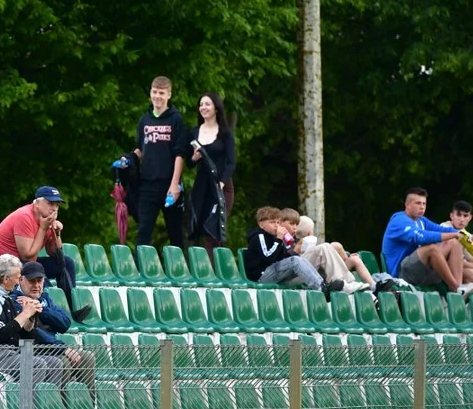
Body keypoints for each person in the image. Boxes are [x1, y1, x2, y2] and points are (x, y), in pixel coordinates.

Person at [0, 186, 90, 322]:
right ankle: (51, 315)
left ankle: (71, 309)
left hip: (24, 261)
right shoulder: (24, 216)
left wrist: (56, 233)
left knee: (66, 263)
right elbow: (27, 256)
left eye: (57, 205)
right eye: (50, 203)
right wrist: (43, 228)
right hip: (7, 263)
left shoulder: (46, 219)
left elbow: (54, 253)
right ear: (37, 203)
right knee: (40, 276)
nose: (54, 208)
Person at [0, 254, 66, 385]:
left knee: (55, 363)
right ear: (6, 278)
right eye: (18, 277)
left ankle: (46, 404)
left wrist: (31, 319)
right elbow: (2, 334)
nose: (19, 281)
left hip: (10, 353)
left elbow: (23, 336)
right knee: (37, 364)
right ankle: (26, 405)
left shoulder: (5, 295)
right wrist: (25, 313)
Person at [10, 261, 96, 394]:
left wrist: (40, 309)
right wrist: (62, 348)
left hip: (53, 347)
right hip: (33, 348)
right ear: (21, 280)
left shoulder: (44, 298)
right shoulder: (16, 300)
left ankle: (88, 407)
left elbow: (65, 323)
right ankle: (58, 408)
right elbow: (34, 333)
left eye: (40, 281)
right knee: (63, 363)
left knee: (87, 357)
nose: (37, 285)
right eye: (32, 281)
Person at [132, 76, 189, 248]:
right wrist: (128, 161)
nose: (157, 96)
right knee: (143, 231)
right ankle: (139, 271)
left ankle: (178, 271)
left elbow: (180, 154)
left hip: (169, 184)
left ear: (169, 95)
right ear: (150, 93)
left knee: (175, 233)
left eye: (161, 93)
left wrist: (174, 184)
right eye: (154, 92)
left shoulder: (176, 119)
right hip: (148, 183)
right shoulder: (144, 120)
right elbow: (140, 150)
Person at [382, 188, 473, 293]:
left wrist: (463, 235)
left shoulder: (421, 220)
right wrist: (453, 234)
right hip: (401, 274)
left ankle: (459, 289)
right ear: (407, 204)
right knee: (432, 249)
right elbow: (420, 237)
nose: (422, 207)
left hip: (420, 270)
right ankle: (455, 288)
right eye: (418, 203)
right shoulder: (399, 221)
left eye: (424, 204)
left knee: (455, 244)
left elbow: (440, 229)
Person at [244, 207, 344, 297]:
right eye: (272, 222)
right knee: (295, 260)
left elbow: (281, 259)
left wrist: (289, 249)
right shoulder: (259, 237)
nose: (276, 226)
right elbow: (267, 257)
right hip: (261, 276)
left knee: (298, 259)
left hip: (271, 271)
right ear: (261, 224)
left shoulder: (273, 237)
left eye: (278, 223)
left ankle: (322, 284)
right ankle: (321, 289)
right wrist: (279, 240)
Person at [186, 92, 235, 254]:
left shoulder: (225, 133)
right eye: (201, 104)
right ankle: (208, 272)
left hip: (221, 185)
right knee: (200, 229)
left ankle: (215, 274)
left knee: (214, 230)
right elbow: (190, 164)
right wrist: (193, 158)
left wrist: (221, 182)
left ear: (216, 108)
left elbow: (231, 162)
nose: (203, 107)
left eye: (207, 104)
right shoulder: (194, 132)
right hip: (202, 186)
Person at [282, 210, 373, 290]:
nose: (295, 227)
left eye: (296, 224)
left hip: (309, 275)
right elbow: (280, 264)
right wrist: (295, 251)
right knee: (325, 247)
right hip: (292, 278)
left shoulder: (293, 241)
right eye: (291, 224)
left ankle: (351, 283)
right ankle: (344, 282)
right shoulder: (279, 240)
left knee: (330, 247)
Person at [439, 200, 473, 277]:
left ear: (470, 217)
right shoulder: (444, 227)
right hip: (439, 265)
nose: (461, 219)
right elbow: (449, 260)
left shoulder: (467, 235)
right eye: (458, 215)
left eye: (465, 216)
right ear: (451, 216)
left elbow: (469, 257)